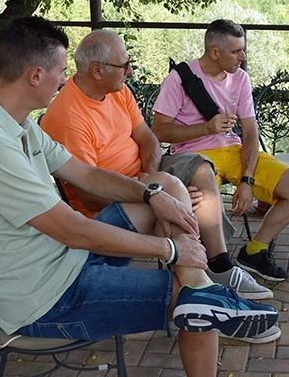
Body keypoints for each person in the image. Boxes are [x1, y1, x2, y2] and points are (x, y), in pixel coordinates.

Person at [0, 17, 281, 377]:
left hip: (65, 261)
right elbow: (73, 229)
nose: (65, 79)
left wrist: (150, 193)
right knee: (193, 304)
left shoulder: (16, 122)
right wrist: (170, 250)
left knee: (166, 195)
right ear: (34, 76)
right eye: (61, 71)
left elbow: (87, 174)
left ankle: (205, 287)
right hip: (47, 301)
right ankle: (207, 294)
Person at [40, 30, 273, 309]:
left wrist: (150, 178)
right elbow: (90, 195)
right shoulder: (68, 118)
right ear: (97, 71)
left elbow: (148, 137)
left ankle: (217, 267)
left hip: (144, 179)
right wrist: (151, 193)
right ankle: (203, 292)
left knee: (198, 167)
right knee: (173, 196)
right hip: (107, 207)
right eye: (124, 65)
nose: (131, 70)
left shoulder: (117, 91)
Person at [151, 19, 289, 282]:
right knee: (206, 202)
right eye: (236, 51)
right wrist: (206, 128)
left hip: (234, 154)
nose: (243, 57)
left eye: (243, 50)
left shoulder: (240, 79)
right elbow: (159, 131)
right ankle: (217, 265)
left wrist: (247, 180)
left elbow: (250, 132)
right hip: (196, 158)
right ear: (215, 52)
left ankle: (255, 251)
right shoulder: (178, 79)